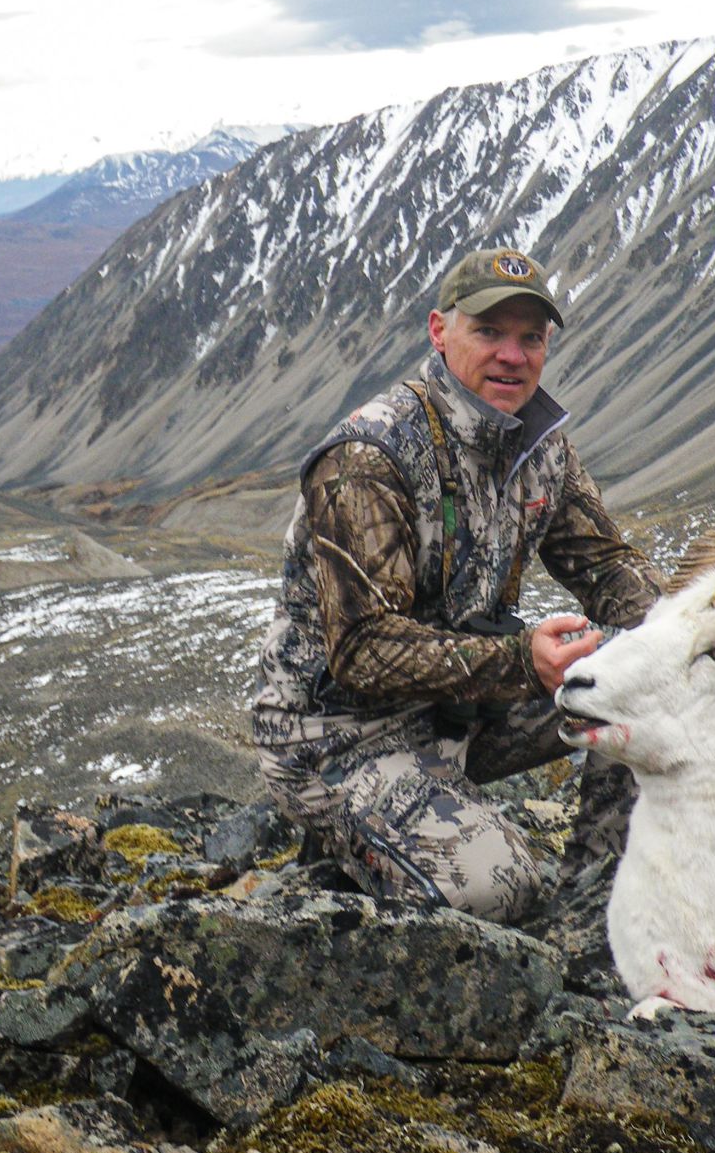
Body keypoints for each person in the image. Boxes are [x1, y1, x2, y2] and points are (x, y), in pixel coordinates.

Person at [252, 246, 664, 921]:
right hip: (338, 739)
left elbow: (605, 564)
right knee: (497, 887)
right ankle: (347, 843)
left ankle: (604, 902)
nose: (512, 354)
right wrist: (519, 660)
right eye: (489, 331)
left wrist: (686, 630)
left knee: (646, 696)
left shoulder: (539, 446)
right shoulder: (369, 455)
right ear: (439, 332)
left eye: (529, 337)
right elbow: (360, 649)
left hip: (459, 712)